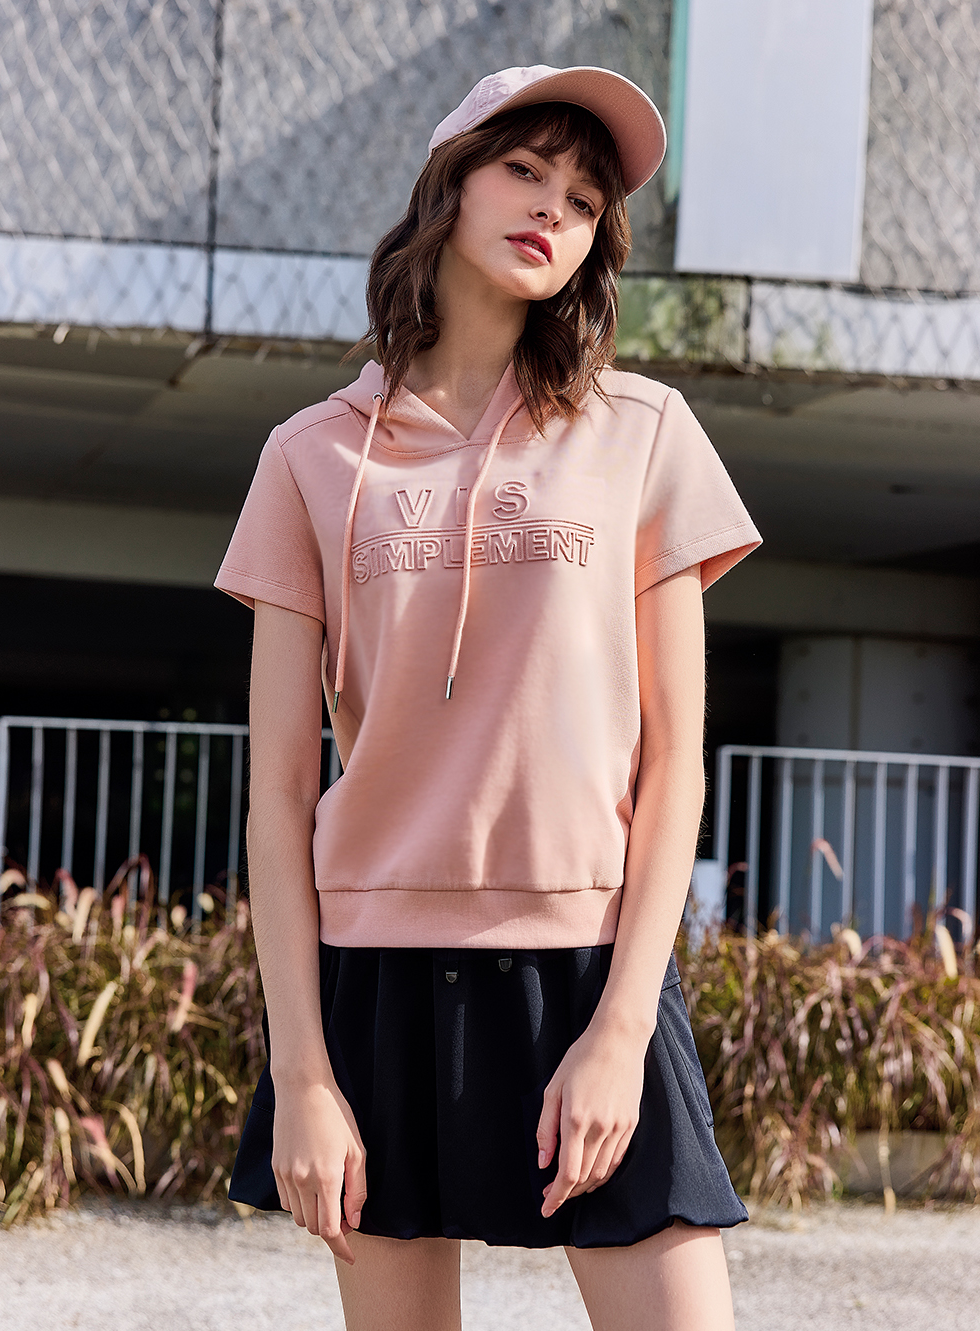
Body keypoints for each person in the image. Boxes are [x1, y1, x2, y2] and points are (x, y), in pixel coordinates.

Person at [214, 63, 760, 1331]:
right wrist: (303, 1074)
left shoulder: (644, 433)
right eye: (524, 169)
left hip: (587, 961)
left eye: (584, 198)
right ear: (449, 184)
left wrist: (620, 1029)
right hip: (375, 975)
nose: (552, 207)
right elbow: (279, 794)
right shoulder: (308, 457)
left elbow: (674, 762)